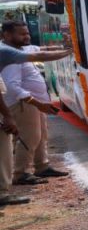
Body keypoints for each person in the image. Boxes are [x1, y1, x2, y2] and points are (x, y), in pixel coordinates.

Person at [0, 21, 71, 185]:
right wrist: (37, 103)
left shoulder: (23, 48)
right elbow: (12, 87)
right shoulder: (7, 54)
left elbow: (44, 50)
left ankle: (42, 166)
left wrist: (67, 46)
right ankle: (21, 173)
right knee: (30, 137)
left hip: (35, 103)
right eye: (22, 34)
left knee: (41, 136)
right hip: (23, 104)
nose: (27, 36)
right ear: (7, 35)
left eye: (27, 33)